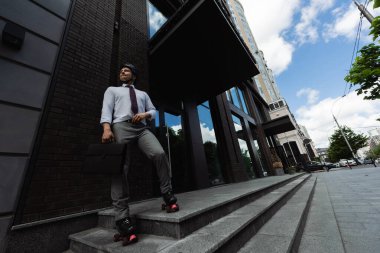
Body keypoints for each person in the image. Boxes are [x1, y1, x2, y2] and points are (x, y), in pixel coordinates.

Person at [100, 63, 179, 246]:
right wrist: (106, 127)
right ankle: (122, 219)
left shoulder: (143, 94)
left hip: (141, 128)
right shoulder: (112, 90)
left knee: (159, 153)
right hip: (121, 126)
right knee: (121, 167)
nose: (122, 72)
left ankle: (167, 194)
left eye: (126, 70)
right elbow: (106, 109)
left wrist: (144, 115)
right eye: (121, 70)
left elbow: (152, 111)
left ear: (134, 75)